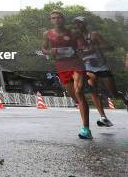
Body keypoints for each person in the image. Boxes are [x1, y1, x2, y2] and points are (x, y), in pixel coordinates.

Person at [42, 10, 92, 139]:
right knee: (75, 97)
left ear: (63, 19)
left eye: (59, 18)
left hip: (76, 64)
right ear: (50, 20)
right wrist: (50, 51)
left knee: (79, 91)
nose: (57, 20)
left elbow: (85, 47)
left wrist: (78, 49)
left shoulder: (74, 33)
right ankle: (84, 101)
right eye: (53, 18)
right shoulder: (47, 34)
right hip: (62, 66)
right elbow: (44, 49)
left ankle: (86, 128)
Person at [74, 16, 128, 123]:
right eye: (76, 23)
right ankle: (103, 117)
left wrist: (93, 48)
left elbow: (109, 47)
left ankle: (124, 98)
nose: (77, 25)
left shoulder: (94, 35)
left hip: (101, 67)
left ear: (85, 23)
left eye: (80, 23)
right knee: (92, 90)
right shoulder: (75, 39)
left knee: (113, 93)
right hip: (88, 68)